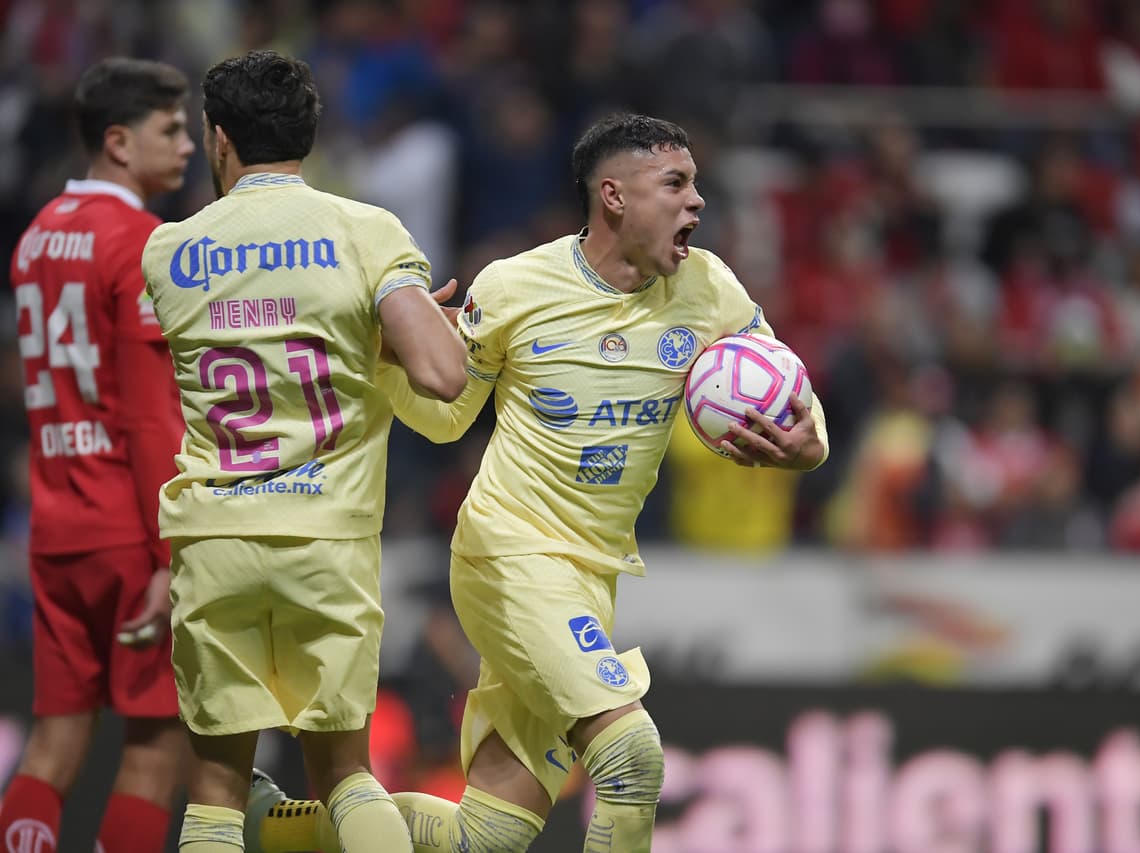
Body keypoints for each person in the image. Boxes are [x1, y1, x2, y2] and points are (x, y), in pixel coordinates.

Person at [246, 113, 829, 852]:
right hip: (508, 555)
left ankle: (281, 831)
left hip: (590, 576)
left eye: (695, 185)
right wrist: (390, 355)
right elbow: (449, 415)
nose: (697, 203)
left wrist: (809, 446)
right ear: (613, 196)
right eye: (676, 184)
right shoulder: (517, 286)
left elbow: (791, 395)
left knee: (485, 837)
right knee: (631, 756)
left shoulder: (709, 288)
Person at [138, 50, 467, 853]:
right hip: (326, 537)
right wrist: (390, 335)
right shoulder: (364, 231)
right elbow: (444, 375)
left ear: (219, 140)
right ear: (310, 138)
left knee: (216, 790)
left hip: (213, 537)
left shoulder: (169, 250)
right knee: (346, 775)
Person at [0, 57, 194, 853]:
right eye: (171, 130)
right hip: (126, 525)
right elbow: (151, 418)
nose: (188, 146)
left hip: (54, 526)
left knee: (52, 744)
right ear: (119, 141)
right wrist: (168, 552)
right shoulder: (143, 242)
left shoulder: (36, 235)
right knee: (155, 750)